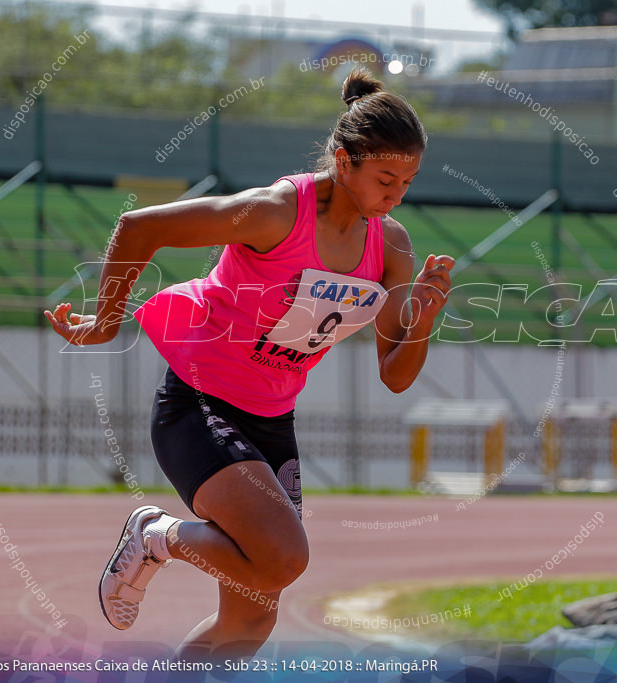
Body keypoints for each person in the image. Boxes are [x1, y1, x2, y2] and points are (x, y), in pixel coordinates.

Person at [44, 66, 454, 660]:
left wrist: (423, 316)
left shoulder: (390, 246)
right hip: (201, 406)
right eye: (385, 178)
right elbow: (137, 229)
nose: (395, 196)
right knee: (283, 558)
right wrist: (104, 324)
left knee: (249, 622)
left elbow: (394, 375)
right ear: (344, 163)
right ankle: (155, 536)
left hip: (271, 422)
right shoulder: (274, 213)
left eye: (408, 182)